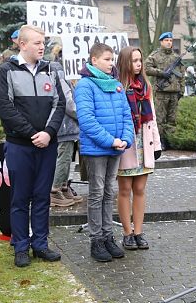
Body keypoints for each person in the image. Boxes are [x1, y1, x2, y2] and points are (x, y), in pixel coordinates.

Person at [0, 24, 66, 268]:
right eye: (37, 42)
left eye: (43, 42)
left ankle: (40, 245)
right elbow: (4, 107)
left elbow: (60, 104)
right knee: (20, 198)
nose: (42, 46)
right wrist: (33, 134)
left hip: (47, 145)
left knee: (42, 196)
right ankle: (21, 246)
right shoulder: (5, 71)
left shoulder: (51, 70)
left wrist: (48, 133)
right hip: (19, 146)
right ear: (22, 44)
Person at [75, 43, 134, 262]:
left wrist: (126, 139)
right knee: (97, 192)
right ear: (94, 60)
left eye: (112, 59)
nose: (112, 63)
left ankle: (108, 236)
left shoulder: (116, 85)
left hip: (115, 148)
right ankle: (96, 239)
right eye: (107, 59)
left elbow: (127, 115)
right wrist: (111, 141)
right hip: (97, 149)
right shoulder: (85, 85)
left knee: (110, 192)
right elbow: (87, 121)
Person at [116, 46, 162, 250]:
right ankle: (127, 233)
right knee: (125, 189)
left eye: (140, 60)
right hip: (127, 142)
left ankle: (139, 231)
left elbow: (152, 117)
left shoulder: (146, 86)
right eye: (134, 60)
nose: (138, 64)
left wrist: (157, 143)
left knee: (140, 189)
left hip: (145, 141)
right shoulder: (117, 87)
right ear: (125, 62)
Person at [49, 52, 83, 208]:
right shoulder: (59, 72)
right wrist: (82, 115)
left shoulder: (63, 72)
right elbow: (68, 101)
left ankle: (63, 186)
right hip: (64, 123)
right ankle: (54, 190)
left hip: (68, 124)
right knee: (64, 156)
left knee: (68, 157)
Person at [145, 32, 185, 150]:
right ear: (161, 42)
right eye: (166, 40)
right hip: (161, 93)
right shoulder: (155, 56)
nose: (169, 42)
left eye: (171, 40)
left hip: (174, 92)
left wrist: (181, 90)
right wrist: (161, 73)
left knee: (172, 119)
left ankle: (170, 141)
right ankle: (160, 142)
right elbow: (146, 68)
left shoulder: (176, 57)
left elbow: (182, 75)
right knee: (160, 119)